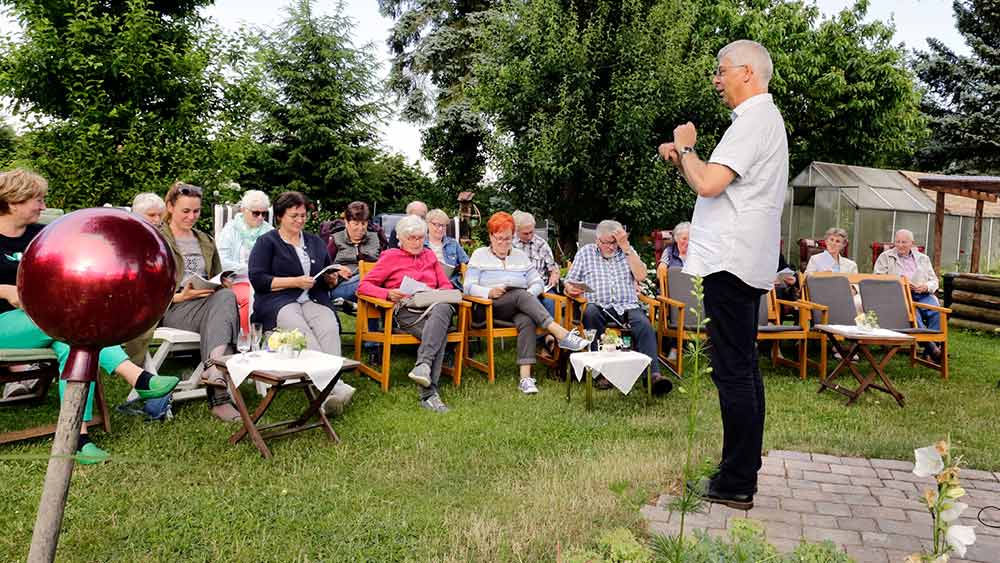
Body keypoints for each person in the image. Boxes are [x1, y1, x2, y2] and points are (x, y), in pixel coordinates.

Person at [658, 39, 788, 510]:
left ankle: (735, 482)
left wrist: (688, 147)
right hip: (745, 261)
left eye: (722, 70)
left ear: (748, 73)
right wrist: (684, 161)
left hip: (730, 264)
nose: (717, 79)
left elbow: (711, 183)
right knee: (745, 369)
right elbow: (711, 185)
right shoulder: (762, 122)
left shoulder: (753, 120)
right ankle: (741, 471)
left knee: (733, 371)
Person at [0, 169, 178, 463]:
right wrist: (5, 289)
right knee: (73, 326)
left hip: (42, 320)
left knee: (74, 341)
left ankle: (78, 438)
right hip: (5, 324)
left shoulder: (43, 237)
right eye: (37, 200)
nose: (43, 206)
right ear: (14, 201)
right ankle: (140, 379)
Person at [249, 191, 354, 414]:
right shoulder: (266, 242)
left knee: (328, 324)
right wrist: (294, 281)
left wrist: (331, 278)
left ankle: (330, 388)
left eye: (303, 215)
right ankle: (331, 390)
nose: (299, 220)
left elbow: (324, 278)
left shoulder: (315, 242)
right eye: (293, 216)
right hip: (277, 301)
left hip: (313, 299)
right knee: (302, 332)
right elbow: (258, 279)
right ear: (279, 216)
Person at [465, 212, 590, 394]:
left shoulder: (520, 256)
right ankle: (561, 334)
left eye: (507, 239)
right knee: (519, 295)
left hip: (517, 306)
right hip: (488, 308)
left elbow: (538, 282)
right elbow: (467, 287)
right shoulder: (479, 255)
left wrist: (528, 296)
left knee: (526, 318)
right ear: (491, 236)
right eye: (499, 239)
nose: (503, 243)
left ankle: (525, 378)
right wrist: (489, 292)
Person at [158, 181, 242, 422]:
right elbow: (146, 288)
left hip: (207, 304)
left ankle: (213, 371)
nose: (192, 216)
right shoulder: (156, 238)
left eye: (196, 211)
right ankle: (219, 394)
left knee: (226, 295)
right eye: (186, 211)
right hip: (173, 308)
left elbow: (216, 275)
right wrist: (180, 296)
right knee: (225, 305)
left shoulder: (205, 240)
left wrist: (221, 283)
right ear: (170, 206)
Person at [357, 215, 457, 413]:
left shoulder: (429, 255)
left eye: (420, 238)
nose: (417, 242)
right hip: (407, 312)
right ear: (400, 239)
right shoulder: (390, 256)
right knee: (439, 332)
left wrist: (437, 291)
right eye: (411, 238)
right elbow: (363, 286)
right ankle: (429, 392)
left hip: (433, 306)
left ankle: (424, 368)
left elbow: (445, 285)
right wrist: (387, 293)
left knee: (443, 308)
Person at [564, 220, 672, 395]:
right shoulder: (586, 253)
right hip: (598, 305)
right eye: (606, 242)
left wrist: (626, 246)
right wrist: (571, 288)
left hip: (627, 305)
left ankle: (653, 376)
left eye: (613, 242)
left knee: (644, 325)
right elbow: (569, 282)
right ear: (597, 240)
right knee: (590, 313)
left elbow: (642, 275)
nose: (610, 247)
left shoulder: (626, 252)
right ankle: (600, 373)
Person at [874, 229, 942, 361]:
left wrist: (926, 286)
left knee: (937, 312)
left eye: (904, 242)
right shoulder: (885, 257)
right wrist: (900, 282)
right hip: (899, 295)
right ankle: (931, 348)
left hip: (922, 293)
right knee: (913, 314)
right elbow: (878, 278)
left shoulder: (923, 258)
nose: (900, 245)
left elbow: (934, 280)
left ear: (912, 243)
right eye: (897, 242)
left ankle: (931, 349)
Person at [216, 189, 274, 332]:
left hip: (264, 282)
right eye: (256, 213)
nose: (260, 217)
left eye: (264, 213)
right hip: (236, 280)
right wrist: (250, 269)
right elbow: (221, 260)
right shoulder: (230, 229)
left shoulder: (270, 232)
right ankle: (245, 343)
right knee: (248, 299)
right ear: (243, 210)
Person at [328, 201, 382, 304]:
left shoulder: (376, 238)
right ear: (347, 222)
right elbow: (323, 266)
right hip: (344, 285)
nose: (360, 228)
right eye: (356, 223)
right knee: (366, 279)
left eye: (363, 223)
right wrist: (337, 269)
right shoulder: (335, 239)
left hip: (372, 284)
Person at [512, 211, 559, 315]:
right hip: (520, 288)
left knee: (550, 302)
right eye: (525, 233)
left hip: (543, 288)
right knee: (533, 304)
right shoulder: (510, 244)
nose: (529, 236)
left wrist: (554, 274)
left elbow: (553, 268)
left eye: (531, 232)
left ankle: (551, 331)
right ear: (516, 230)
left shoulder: (541, 244)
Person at [425, 208, 468, 289]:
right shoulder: (420, 244)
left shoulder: (453, 243)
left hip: (450, 285)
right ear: (428, 224)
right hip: (428, 285)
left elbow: (466, 263)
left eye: (443, 225)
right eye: (437, 225)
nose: (441, 229)